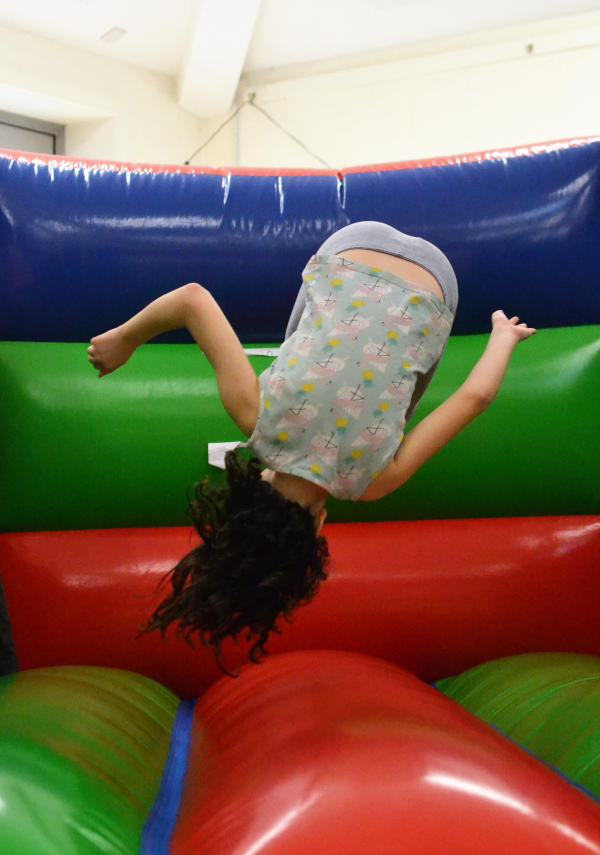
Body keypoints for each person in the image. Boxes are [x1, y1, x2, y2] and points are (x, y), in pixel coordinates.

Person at [88, 221, 535, 666]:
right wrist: (125, 339)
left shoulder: (374, 482)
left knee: (401, 397)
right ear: (246, 493)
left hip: (436, 281)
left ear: (319, 527)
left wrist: (504, 334)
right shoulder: (254, 415)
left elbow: (476, 398)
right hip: (354, 246)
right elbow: (192, 298)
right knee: (298, 345)